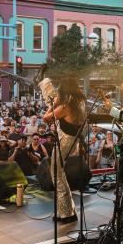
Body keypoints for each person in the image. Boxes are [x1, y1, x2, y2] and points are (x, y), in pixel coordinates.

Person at [38, 68, 86, 224]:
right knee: (59, 172)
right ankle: (67, 208)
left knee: (57, 173)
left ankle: (66, 212)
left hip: (65, 139)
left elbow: (46, 118)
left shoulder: (65, 106)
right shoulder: (80, 102)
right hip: (74, 138)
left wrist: (54, 104)